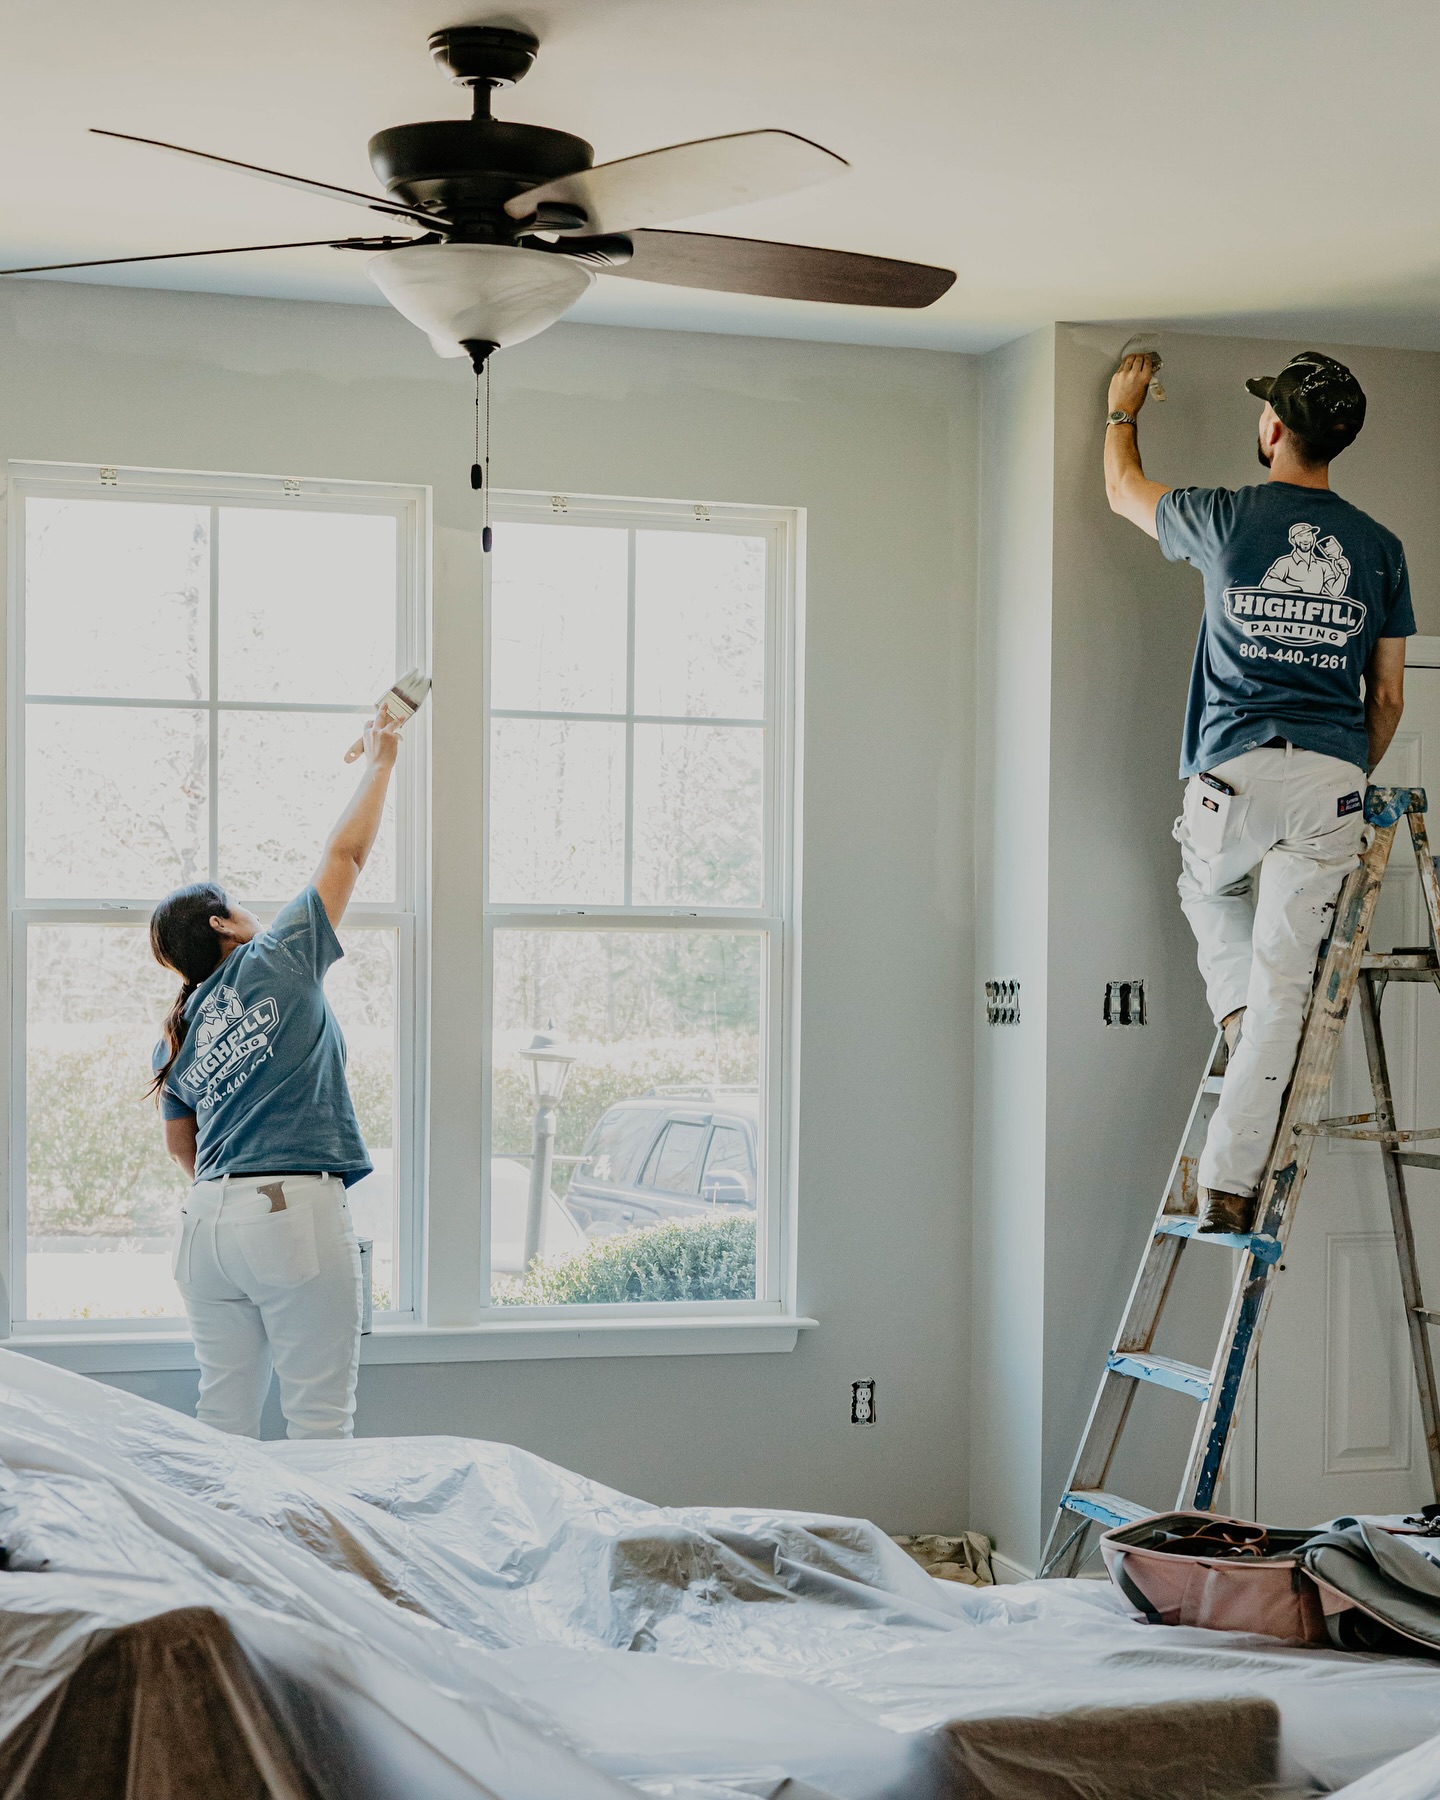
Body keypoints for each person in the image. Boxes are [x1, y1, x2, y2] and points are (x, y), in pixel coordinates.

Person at [1104, 349, 1414, 1234]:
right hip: (1329, 782)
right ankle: (1232, 1186)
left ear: (1273, 428)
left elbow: (1125, 491)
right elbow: (1387, 697)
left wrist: (1121, 409)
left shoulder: (1229, 516)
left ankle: (1235, 1014)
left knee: (1204, 887)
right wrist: (1347, 771)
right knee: (1291, 990)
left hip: (1232, 778)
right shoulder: (1382, 548)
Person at [148, 714, 403, 1436]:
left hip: (206, 1229)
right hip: (288, 1212)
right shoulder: (275, 959)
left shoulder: (178, 1028)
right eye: (238, 904)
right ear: (224, 925)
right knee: (320, 1420)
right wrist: (382, 761)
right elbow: (345, 856)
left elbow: (180, 1150)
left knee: (222, 1418)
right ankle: (312, 1557)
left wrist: (227, 1199)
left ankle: (221, 1553)